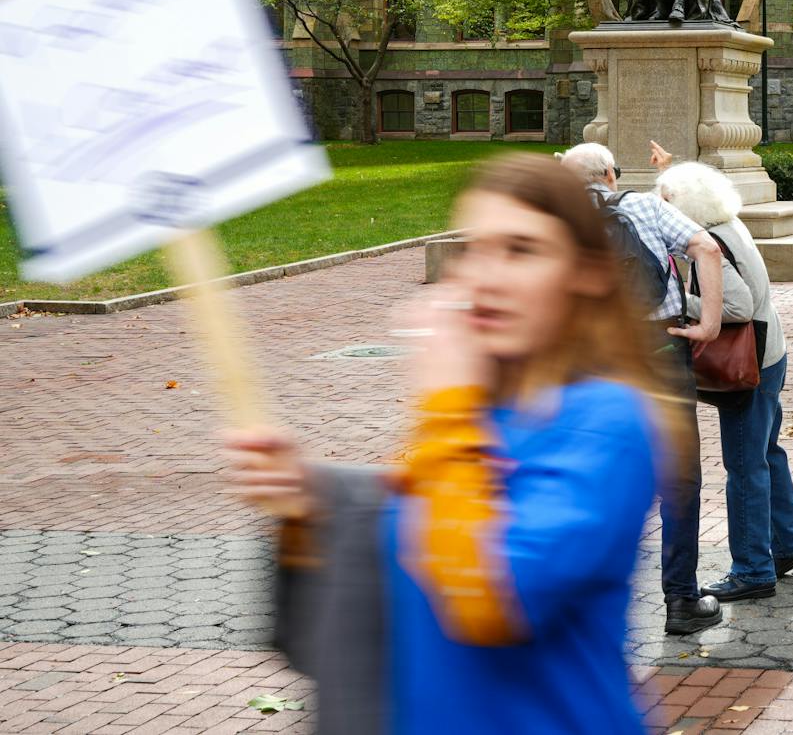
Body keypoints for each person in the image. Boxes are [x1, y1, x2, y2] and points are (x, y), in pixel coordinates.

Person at [223, 153, 684, 734]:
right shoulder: (478, 417)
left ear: (587, 273)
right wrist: (304, 503)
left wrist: (445, 405)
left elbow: (489, 599)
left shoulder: (608, 422)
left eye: (521, 250)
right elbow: (407, 573)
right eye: (475, 248)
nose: (485, 276)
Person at [559, 141, 726, 635]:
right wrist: (710, 323)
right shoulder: (646, 206)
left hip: (591, 360)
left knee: (592, 474)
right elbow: (707, 248)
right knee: (678, 477)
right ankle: (681, 600)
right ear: (611, 173)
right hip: (659, 352)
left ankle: (589, 603)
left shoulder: (556, 220)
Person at [653, 152, 793, 601]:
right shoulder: (727, 222)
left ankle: (752, 570)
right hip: (771, 354)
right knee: (765, 453)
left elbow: (736, 306)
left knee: (744, 466)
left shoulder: (713, 244)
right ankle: (788, 544)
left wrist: (680, 306)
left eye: (667, 202)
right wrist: (670, 164)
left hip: (749, 363)